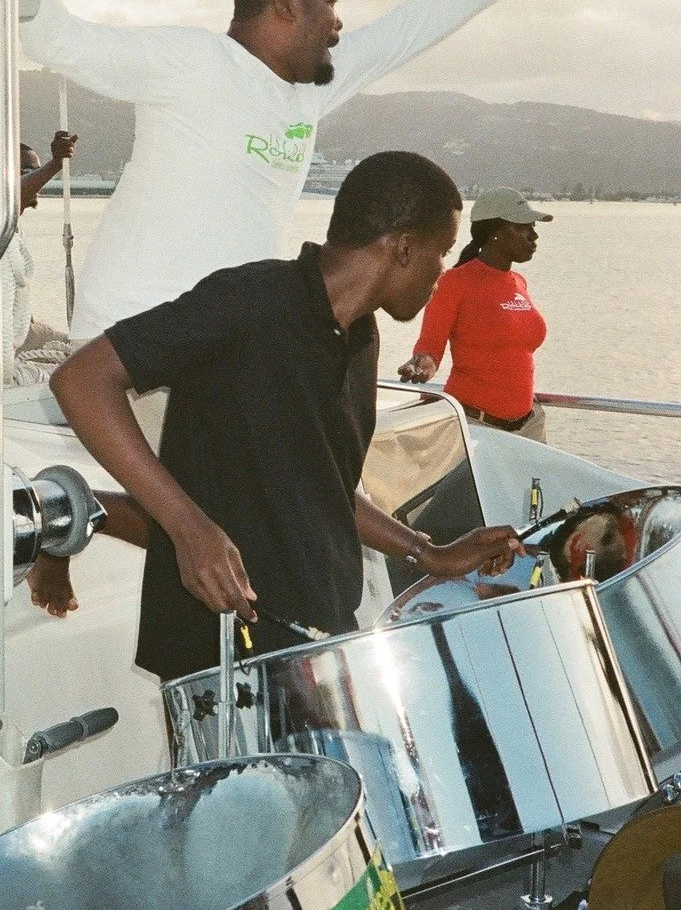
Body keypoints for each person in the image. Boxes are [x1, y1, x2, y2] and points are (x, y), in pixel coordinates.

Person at [7, 0, 610, 342]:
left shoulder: (310, 88)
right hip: (133, 340)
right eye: (330, 3)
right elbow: (51, 38)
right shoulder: (192, 63)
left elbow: (419, 23)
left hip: (228, 341)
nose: (338, 21)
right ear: (286, 8)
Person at [49, 153, 523, 681]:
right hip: (223, 651)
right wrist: (187, 527)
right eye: (442, 253)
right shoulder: (251, 301)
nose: (443, 272)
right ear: (405, 247)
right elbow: (82, 380)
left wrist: (427, 553)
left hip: (317, 641)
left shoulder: (362, 336)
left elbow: (327, 485)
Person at [399, 188, 551, 441]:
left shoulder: (519, 282)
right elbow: (430, 345)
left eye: (533, 227)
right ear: (495, 232)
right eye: (523, 227)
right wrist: (423, 363)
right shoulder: (453, 282)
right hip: (476, 427)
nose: (533, 236)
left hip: (530, 426)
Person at [3, 131, 78, 386]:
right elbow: (12, 193)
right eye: (25, 172)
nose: (34, 180)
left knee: (83, 348)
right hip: (4, 341)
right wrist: (55, 164)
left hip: (23, 332)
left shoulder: (14, 227)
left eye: (33, 171)